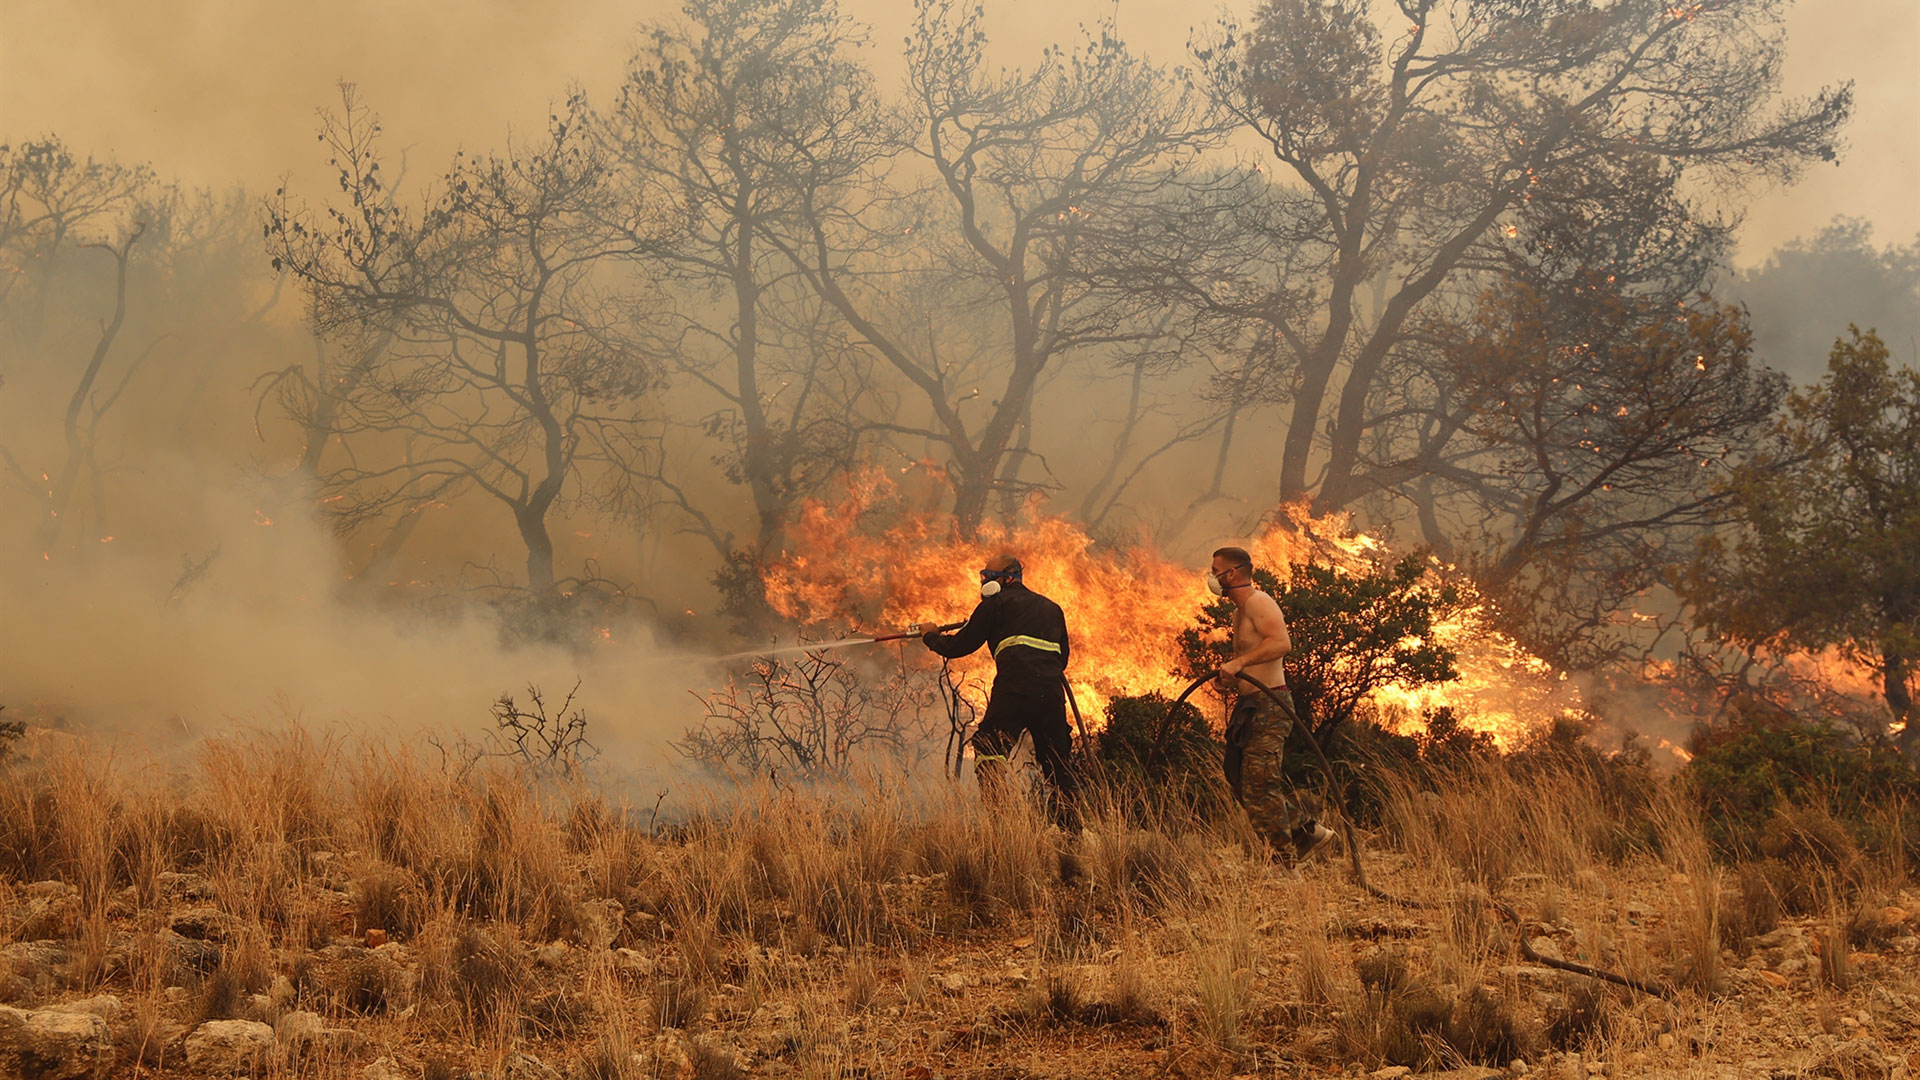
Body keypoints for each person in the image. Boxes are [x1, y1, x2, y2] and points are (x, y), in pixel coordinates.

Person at [923, 554, 1078, 823]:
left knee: (989, 747)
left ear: (1006, 578)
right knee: (1057, 763)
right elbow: (1062, 659)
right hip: (1051, 693)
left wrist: (931, 636)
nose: (984, 584)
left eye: (988, 578)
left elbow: (959, 647)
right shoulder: (1052, 608)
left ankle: (1003, 822)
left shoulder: (995, 604)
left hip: (1014, 689)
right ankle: (1071, 829)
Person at [1208, 546, 1333, 862]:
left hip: (1271, 705)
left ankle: (1287, 856)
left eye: (1216, 571)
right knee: (1239, 779)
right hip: (1250, 707)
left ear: (1232, 574)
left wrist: (1240, 662)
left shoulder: (1259, 602)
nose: (1212, 578)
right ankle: (1305, 833)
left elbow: (1281, 643)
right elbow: (1252, 663)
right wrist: (1232, 678)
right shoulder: (1239, 613)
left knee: (1261, 784)